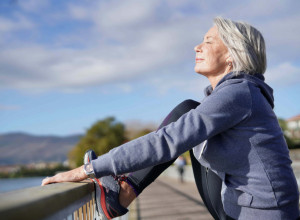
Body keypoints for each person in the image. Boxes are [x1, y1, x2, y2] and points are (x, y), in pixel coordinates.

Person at [42, 17, 300, 220]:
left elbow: (166, 141)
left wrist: (85, 171)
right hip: (236, 208)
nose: (197, 46)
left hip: (264, 216)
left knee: (184, 118)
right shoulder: (230, 96)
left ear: (232, 53)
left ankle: (121, 193)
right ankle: (121, 192)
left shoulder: (239, 92)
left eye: (209, 41)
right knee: (188, 110)